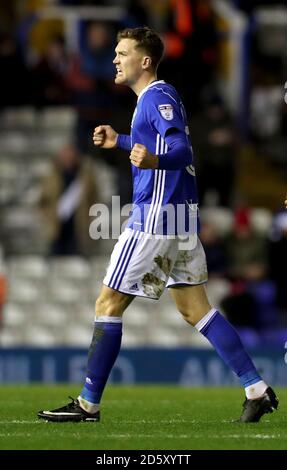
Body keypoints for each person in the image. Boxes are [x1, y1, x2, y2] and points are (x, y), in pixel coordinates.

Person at [38, 27, 278, 424]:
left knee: (108, 304)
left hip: (156, 217)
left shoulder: (157, 96)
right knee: (195, 310)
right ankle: (256, 388)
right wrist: (119, 141)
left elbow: (179, 147)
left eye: (122, 52)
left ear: (144, 60)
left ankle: (87, 404)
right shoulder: (156, 99)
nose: (115, 59)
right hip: (180, 218)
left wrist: (152, 161)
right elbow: (160, 145)